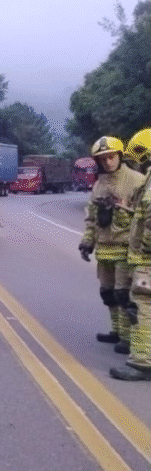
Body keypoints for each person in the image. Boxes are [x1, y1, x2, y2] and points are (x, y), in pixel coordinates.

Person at [79, 136, 146, 354]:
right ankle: (116, 331)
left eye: (111, 157)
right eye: (103, 159)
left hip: (126, 248)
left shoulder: (137, 181)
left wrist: (125, 207)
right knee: (107, 293)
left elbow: (144, 215)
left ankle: (127, 338)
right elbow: (92, 217)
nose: (108, 162)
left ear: (120, 156)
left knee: (123, 294)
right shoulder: (99, 185)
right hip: (104, 249)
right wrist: (87, 241)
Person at [111, 129, 151, 380]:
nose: (138, 162)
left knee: (142, 307)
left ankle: (141, 363)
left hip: (147, 260)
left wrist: (145, 247)